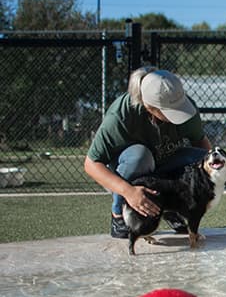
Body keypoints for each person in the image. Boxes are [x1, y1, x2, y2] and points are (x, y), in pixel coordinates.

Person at [84, 67, 212, 238]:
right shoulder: (121, 115)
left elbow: (201, 144)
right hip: (131, 167)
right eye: (170, 110)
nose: (179, 113)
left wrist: (207, 181)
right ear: (149, 107)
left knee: (204, 160)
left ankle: (170, 207)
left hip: (164, 161)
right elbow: (91, 164)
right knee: (141, 156)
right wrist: (128, 191)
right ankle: (118, 216)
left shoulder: (185, 106)